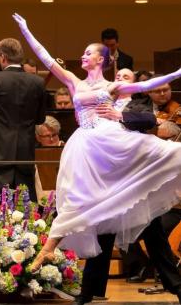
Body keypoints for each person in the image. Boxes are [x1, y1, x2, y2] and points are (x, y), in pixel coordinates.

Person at [12, 13, 181, 274]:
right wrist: (26, 30)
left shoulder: (113, 86)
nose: (82, 56)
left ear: (100, 59)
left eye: (87, 53)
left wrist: (177, 72)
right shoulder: (73, 81)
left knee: (165, 153)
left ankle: (53, 248)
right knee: (76, 197)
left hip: (109, 139)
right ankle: (49, 248)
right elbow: (46, 57)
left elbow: (146, 84)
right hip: (84, 144)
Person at [73, 68, 181, 305]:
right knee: (103, 235)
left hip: (136, 184)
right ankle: (88, 291)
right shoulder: (99, 105)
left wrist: (118, 116)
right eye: (117, 76)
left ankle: (177, 287)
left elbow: (150, 121)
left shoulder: (137, 106)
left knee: (154, 235)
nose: (119, 79)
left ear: (133, 85)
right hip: (110, 184)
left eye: (125, 77)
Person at [0, 37, 46, 202]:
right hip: (25, 150)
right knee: (25, 202)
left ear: (3, 57)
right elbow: (40, 118)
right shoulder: (37, 82)